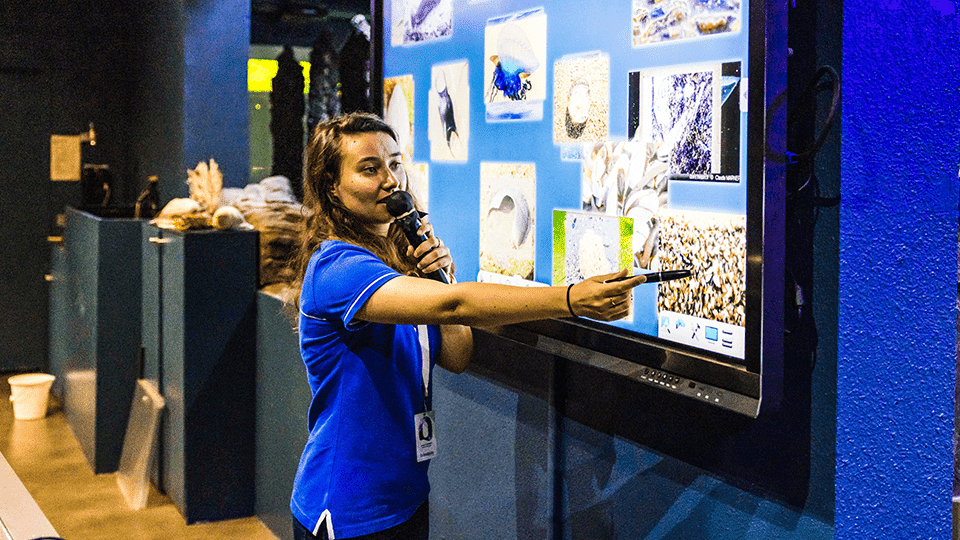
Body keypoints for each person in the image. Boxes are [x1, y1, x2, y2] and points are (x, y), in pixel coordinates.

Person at [288, 112, 646, 540]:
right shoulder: (337, 267)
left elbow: (457, 355)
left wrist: (437, 276)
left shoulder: (394, 262)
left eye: (395, 163)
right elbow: (457, 306)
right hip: (347, 506)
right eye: (369, 169)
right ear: (332, 186)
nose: (391, 180)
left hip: (404, 494)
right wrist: (569, 299)